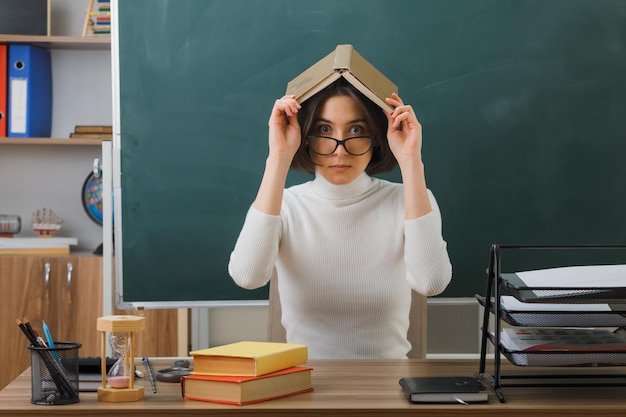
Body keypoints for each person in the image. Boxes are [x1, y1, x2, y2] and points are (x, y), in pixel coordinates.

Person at [228, 78, 452, 359]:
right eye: (324, 129)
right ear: (306, 137)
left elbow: (431, 283)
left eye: (356, 130)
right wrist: (279, 156)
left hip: (388, 386)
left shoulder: (408, 201)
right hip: (303, 385)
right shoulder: (285, 206)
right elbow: (247, 277)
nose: (340, 150)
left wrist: (410, 161)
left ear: (377, 136)